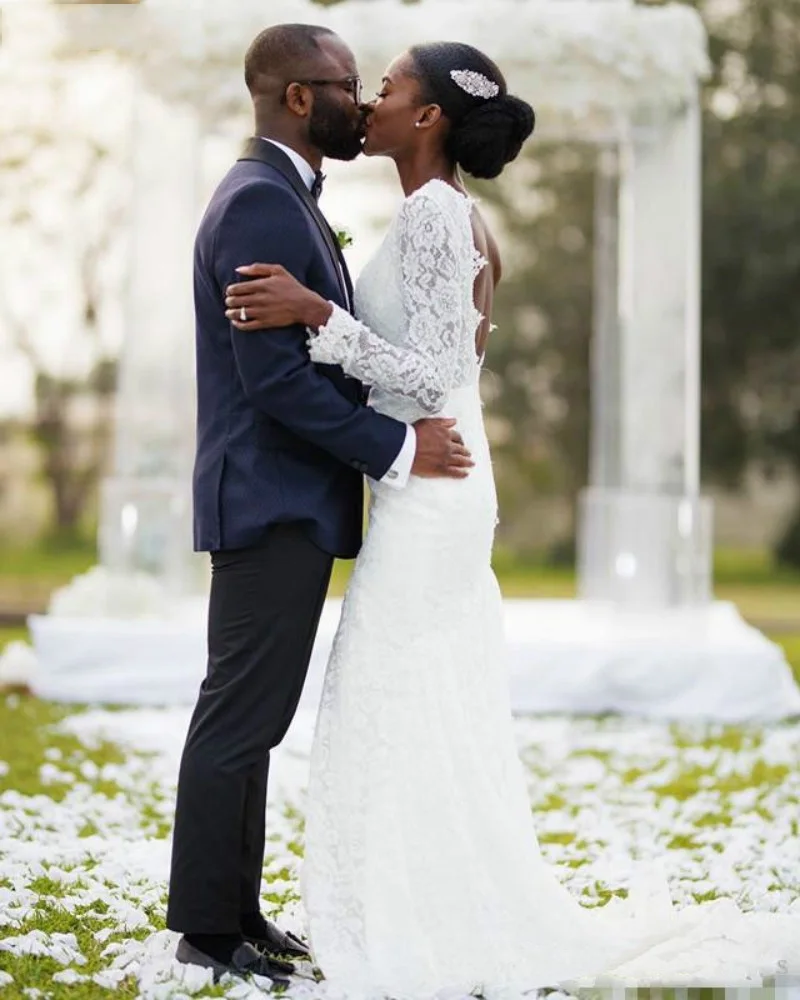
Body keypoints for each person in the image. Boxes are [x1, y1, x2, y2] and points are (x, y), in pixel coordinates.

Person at [225, 40, 800, 997]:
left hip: (437, 487)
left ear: (429, 119)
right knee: (415, 699)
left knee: (397, 695)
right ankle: (423, 901)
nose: (372, 98)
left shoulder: (440, 214)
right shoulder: (434, 212)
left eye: (393, 86)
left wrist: (315, 312)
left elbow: (439, 373)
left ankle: (426, 919)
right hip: (434, 480)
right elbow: (447, 357)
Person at [167, 24, 472, 985]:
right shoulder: (261, 203)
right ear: (301, 97)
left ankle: (234, 911)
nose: (361, 101)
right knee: (239, 719)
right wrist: (397, 447)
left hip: (285, 499)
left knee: (253, 718)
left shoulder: (282, 196)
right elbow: (276, 384)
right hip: (270, 499)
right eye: (349, 85)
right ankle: (207, 933)